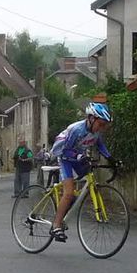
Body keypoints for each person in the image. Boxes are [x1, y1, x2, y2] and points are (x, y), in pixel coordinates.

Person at [48, 100, 118, 241]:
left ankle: (70, 202)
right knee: (68, 193)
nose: (102, 128)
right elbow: (66, 151)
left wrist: (111, 158)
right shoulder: (77, 130)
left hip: (77, 157)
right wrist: (80, 156)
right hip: (64, 156)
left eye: (105, 125)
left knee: (85, 183)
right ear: (91, 119)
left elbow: (100, 145)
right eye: (101, 124)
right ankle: (56, 225)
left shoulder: (96, 131)